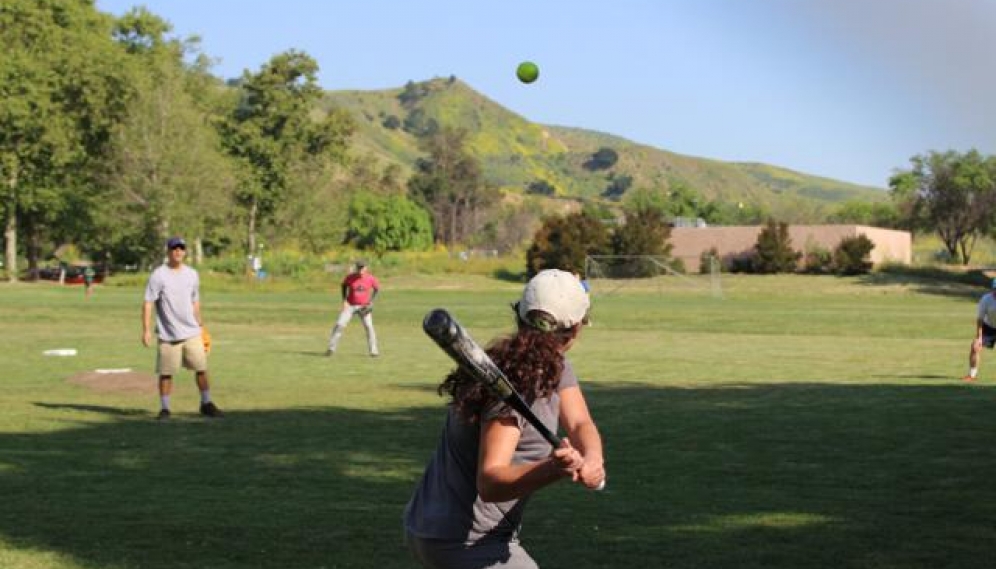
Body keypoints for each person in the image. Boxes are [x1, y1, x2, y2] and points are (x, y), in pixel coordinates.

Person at [404, 269, 605, 569]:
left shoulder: (553, 367)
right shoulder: (516, 385)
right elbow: (491, 481)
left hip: (451, 529)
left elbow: (579, 423)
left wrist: (593, 458)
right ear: (575, 330)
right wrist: (554, 468)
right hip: (463, 541)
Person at [142, 236, 223, 419]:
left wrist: (201, 327)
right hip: (168, 334)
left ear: (185, 251)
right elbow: (148, 302)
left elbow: (195, 301)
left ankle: (206, 403)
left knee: (201, 369)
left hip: (192, 332)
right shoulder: (159, 274)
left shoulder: (192, 274)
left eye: (181, 248)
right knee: (166, 373)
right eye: (174, 249)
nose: (178, 252)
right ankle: (165, 408)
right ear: (168, 251)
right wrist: (146, 329)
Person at [326, 261, 380, 357]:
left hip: (364, 306)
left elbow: (376, 289)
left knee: (369, 327)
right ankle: (331, 348)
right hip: (350, 305)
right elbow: (343, 286)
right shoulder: (350, 277)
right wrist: (344, 300)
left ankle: (374, 351)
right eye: (359, 268)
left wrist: (371, 301)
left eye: (362, 268)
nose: (360, 270)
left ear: (366, 268)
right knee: (339, 325)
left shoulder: (370, 278)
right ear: (356, 268)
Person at [964, 277, 996, 382]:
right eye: (995, 289)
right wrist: (979, 337)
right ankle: (972, 375)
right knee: (975, 346)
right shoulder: (986, 299)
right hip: (988, 327)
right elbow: (980, 320)